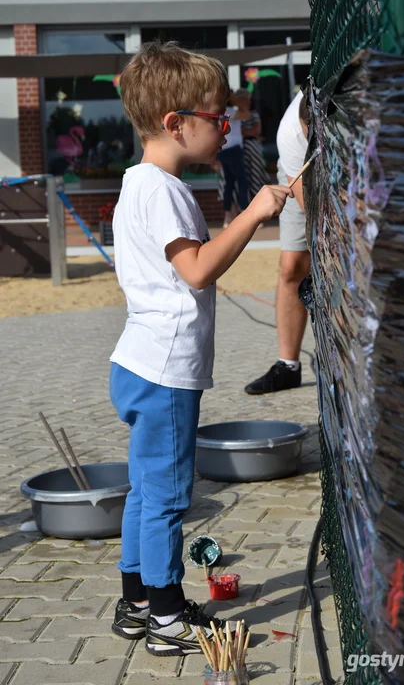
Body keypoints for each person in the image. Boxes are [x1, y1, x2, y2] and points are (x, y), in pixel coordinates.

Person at [109, 40, 292, 656]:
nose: (228, 127)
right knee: (167, 497)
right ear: (175, 122)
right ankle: (165, 618)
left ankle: (137, 601)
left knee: (144, 490)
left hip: (137, 362)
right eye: (220, 118)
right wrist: (254, 214)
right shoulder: (164, 191)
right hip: (165, 371)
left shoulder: (138, 183)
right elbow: (197, 270)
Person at [245, 91, 310, 395]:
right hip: (302, 174)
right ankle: (288, 365)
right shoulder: (292, 133)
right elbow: (314, 215)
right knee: (292, 265)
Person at [216, 91, 250, 228]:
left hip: (224, 150)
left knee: (228, 183)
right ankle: (245, 212)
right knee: (242, 181)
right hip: (234, 150)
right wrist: (235, 101)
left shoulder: (219, 112)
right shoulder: (230, 110)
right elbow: (246, 114)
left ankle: (227, 216)